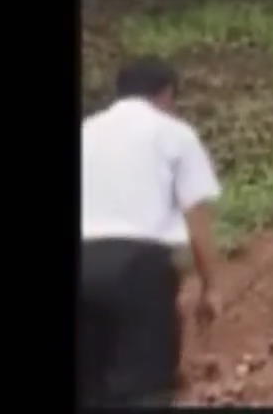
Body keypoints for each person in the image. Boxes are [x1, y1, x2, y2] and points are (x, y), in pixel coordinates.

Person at [80, 57, 222, 407]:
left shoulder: (87, 131)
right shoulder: (173, 133)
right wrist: (211, 287)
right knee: (145, 388)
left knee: (88, 386)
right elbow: (197, 218)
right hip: (137, 269)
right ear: (166, 94)